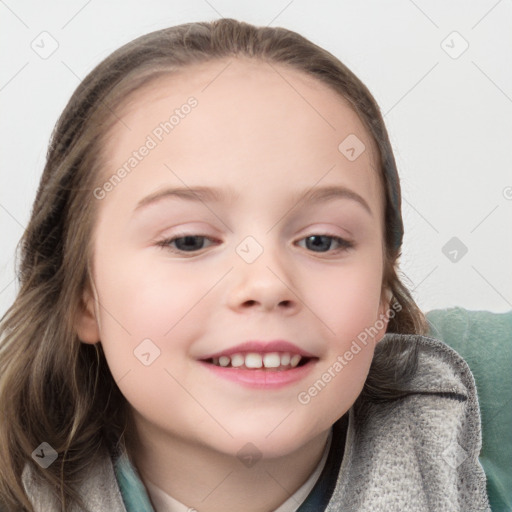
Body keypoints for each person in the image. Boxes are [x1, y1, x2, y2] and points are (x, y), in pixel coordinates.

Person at [0, 18, 490, 512]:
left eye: (321, 241)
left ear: (384, 290)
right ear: (83, 293)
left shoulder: (486, 399)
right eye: (189, 241)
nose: (267, 283)